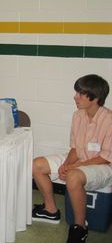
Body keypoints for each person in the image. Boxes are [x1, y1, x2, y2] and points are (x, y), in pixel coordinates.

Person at [32, 74, 112, 243]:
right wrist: (67, 164)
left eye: (80, 94)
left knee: (73, 176)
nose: (75, 97)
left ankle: (80, 227)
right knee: (36, 165)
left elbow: (105, 157)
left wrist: (76, 167)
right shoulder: (78, 116)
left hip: (104, 166)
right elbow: (75, 148)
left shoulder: (109, 120)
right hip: (81, 159)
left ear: (95, 97)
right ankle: (51, 210)